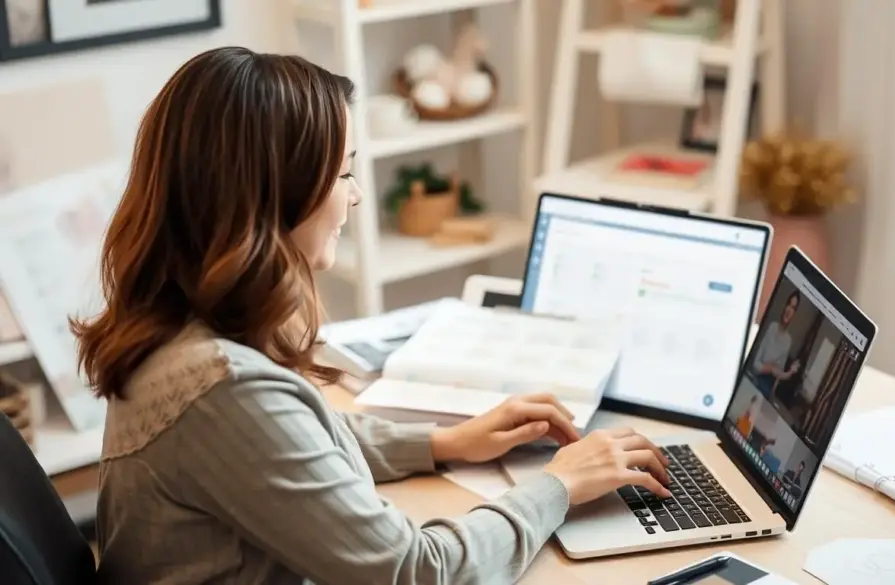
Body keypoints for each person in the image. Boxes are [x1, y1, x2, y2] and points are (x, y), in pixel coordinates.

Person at [72, 47, 672, 585]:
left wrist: (445, 442)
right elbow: (417, 572)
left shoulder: (175, 332)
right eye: (344, 173)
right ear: (275, 195)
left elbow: (297, 443)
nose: (355, 195)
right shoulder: (223, 391)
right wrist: (559, 484)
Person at [751, 291, 803, 396]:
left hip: (766, 388)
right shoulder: (772, 327)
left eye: (793, 308)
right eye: (788, 304)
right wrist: (771, 368)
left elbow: (778, 375)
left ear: (794, 314)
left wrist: (790, 371)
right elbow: (756, 364)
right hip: (755, 379)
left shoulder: (788, 341)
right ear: (785, 306)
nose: (789, 310)